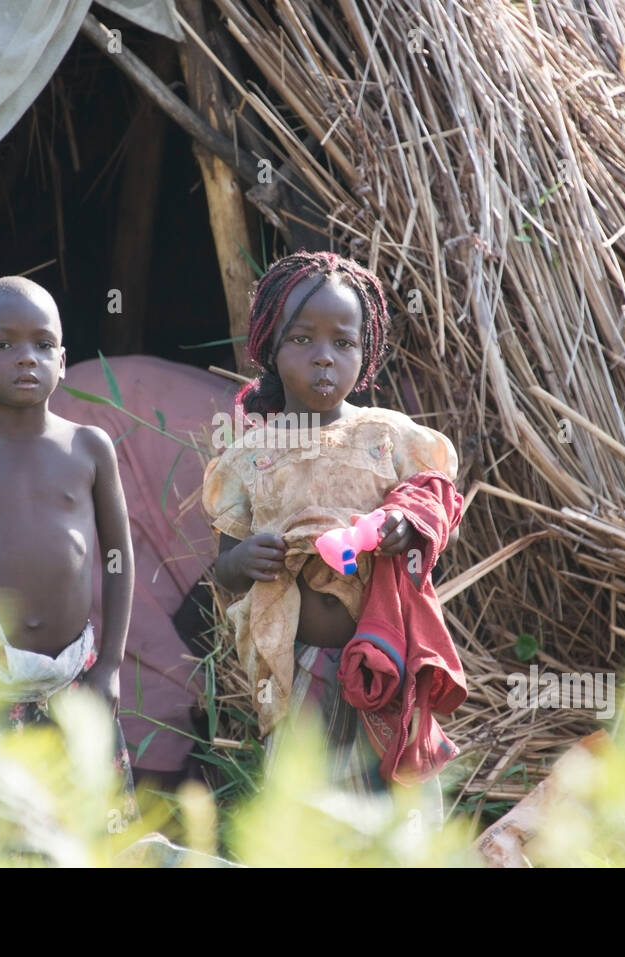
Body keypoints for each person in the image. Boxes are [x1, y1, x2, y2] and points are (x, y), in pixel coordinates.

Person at [202, 251, 463, 807]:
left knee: (394, 799)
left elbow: (435, 509)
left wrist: (404, 529)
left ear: (364, 354)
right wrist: (246, 558)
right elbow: (222, 570)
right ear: (270, 346)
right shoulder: (249, 458)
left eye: (343, 343)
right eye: (302, 340)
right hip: (298, 667)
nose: (324, 358)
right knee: (307, 802)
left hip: (385, 657)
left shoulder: (390, 439)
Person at [0, 276, 135, 791]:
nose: (26, 357)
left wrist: (111, 667)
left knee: (88, 829)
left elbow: (118, 558)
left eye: (42, 344)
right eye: (3, 344)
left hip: (74, 681)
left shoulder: (88, 448)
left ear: (62, 359)